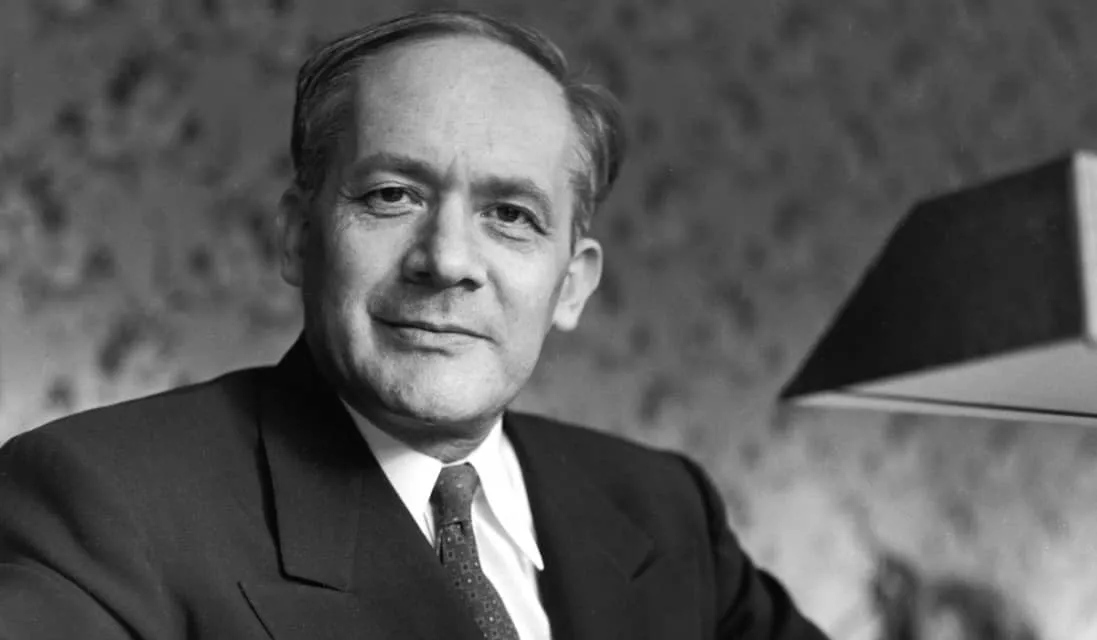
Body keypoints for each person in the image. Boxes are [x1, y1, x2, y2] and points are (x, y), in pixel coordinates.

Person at [0, 10, 829, 640]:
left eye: (510, 214)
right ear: (297, 238)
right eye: (392, 195)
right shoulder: (104, 505)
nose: (447, 260)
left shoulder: (664, 510)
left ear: (570, 285)